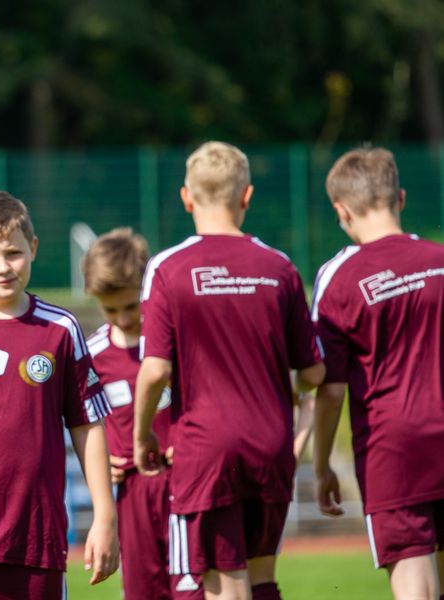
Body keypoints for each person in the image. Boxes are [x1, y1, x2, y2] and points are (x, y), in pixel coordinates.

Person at [133, 142, 325, 600]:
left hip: (207, 449)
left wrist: (142, 436)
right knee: (262, 578)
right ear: (247, 196)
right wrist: (294, 422)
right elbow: (314, 373)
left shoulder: (168, 268)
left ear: (186, 197)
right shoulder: (280, 267)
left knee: (226, 584)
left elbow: (155, 370)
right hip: (270, 445)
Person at [0, 189, 119, 599]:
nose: (3, 267)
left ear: (33, 248)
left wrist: (105, 515)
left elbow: (87, 425)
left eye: (13, 253)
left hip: (35, 537)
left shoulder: (60, 329)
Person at [311, 147, 444, 600]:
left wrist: (322, 465)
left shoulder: (337, 278)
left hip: (394, 450)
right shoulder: (440, 259)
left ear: (341, 211)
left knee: (414, 578)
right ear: (400, 198)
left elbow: (330, 391)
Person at [83, 228, 203, 600]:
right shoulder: (92, 354)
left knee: (194, 588)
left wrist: (189, 442)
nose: (122, 318)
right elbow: (82, 422)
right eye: (111, 309)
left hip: (185, 480)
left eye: (131, 306)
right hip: (131, 491)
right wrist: (103, 463)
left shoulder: (177, 342)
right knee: (141, 591)